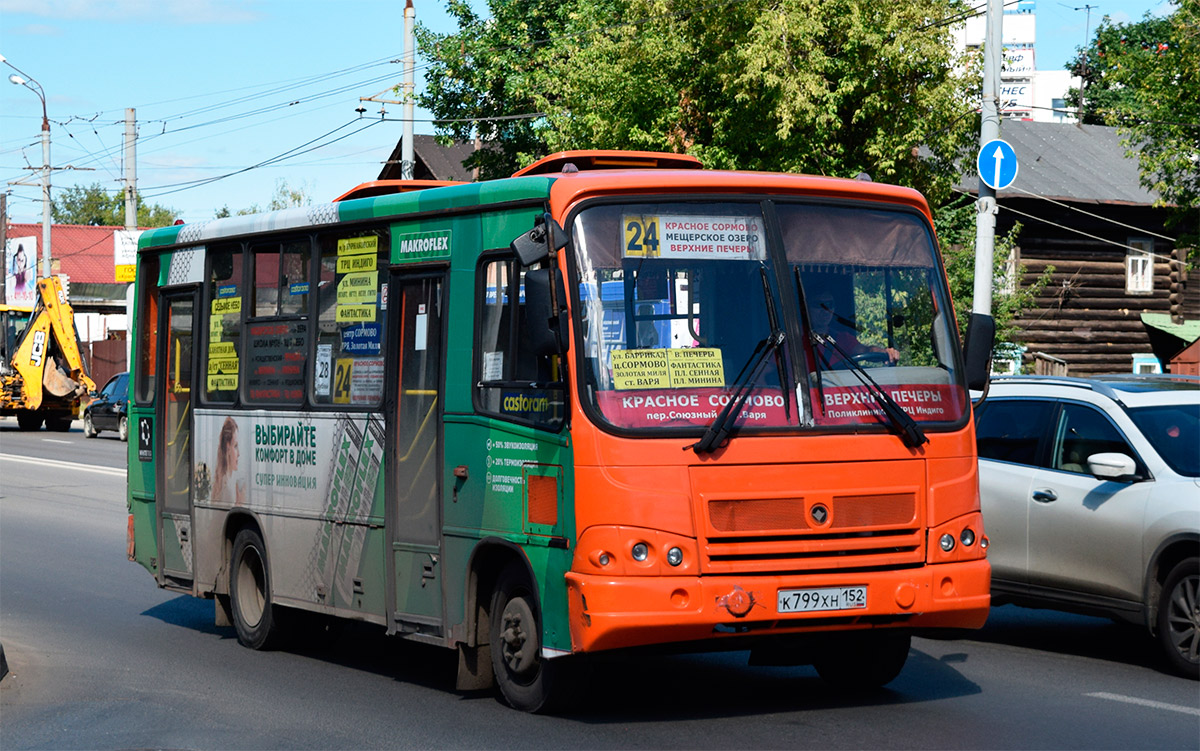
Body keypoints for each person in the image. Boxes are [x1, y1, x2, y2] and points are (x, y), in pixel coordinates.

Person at [808, 290, 899, 368]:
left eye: (829, 304)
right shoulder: (797, 339)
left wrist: (884, 352)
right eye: (819, 305)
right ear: (806, 308)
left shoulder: (843, 339)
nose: (825, 310)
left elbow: (866, 350)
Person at [211, 416, 246, 505]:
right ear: (228, 447)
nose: (238, 453)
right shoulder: (227, 489)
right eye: (235, 446)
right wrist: (239, 503)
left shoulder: (221, 481)